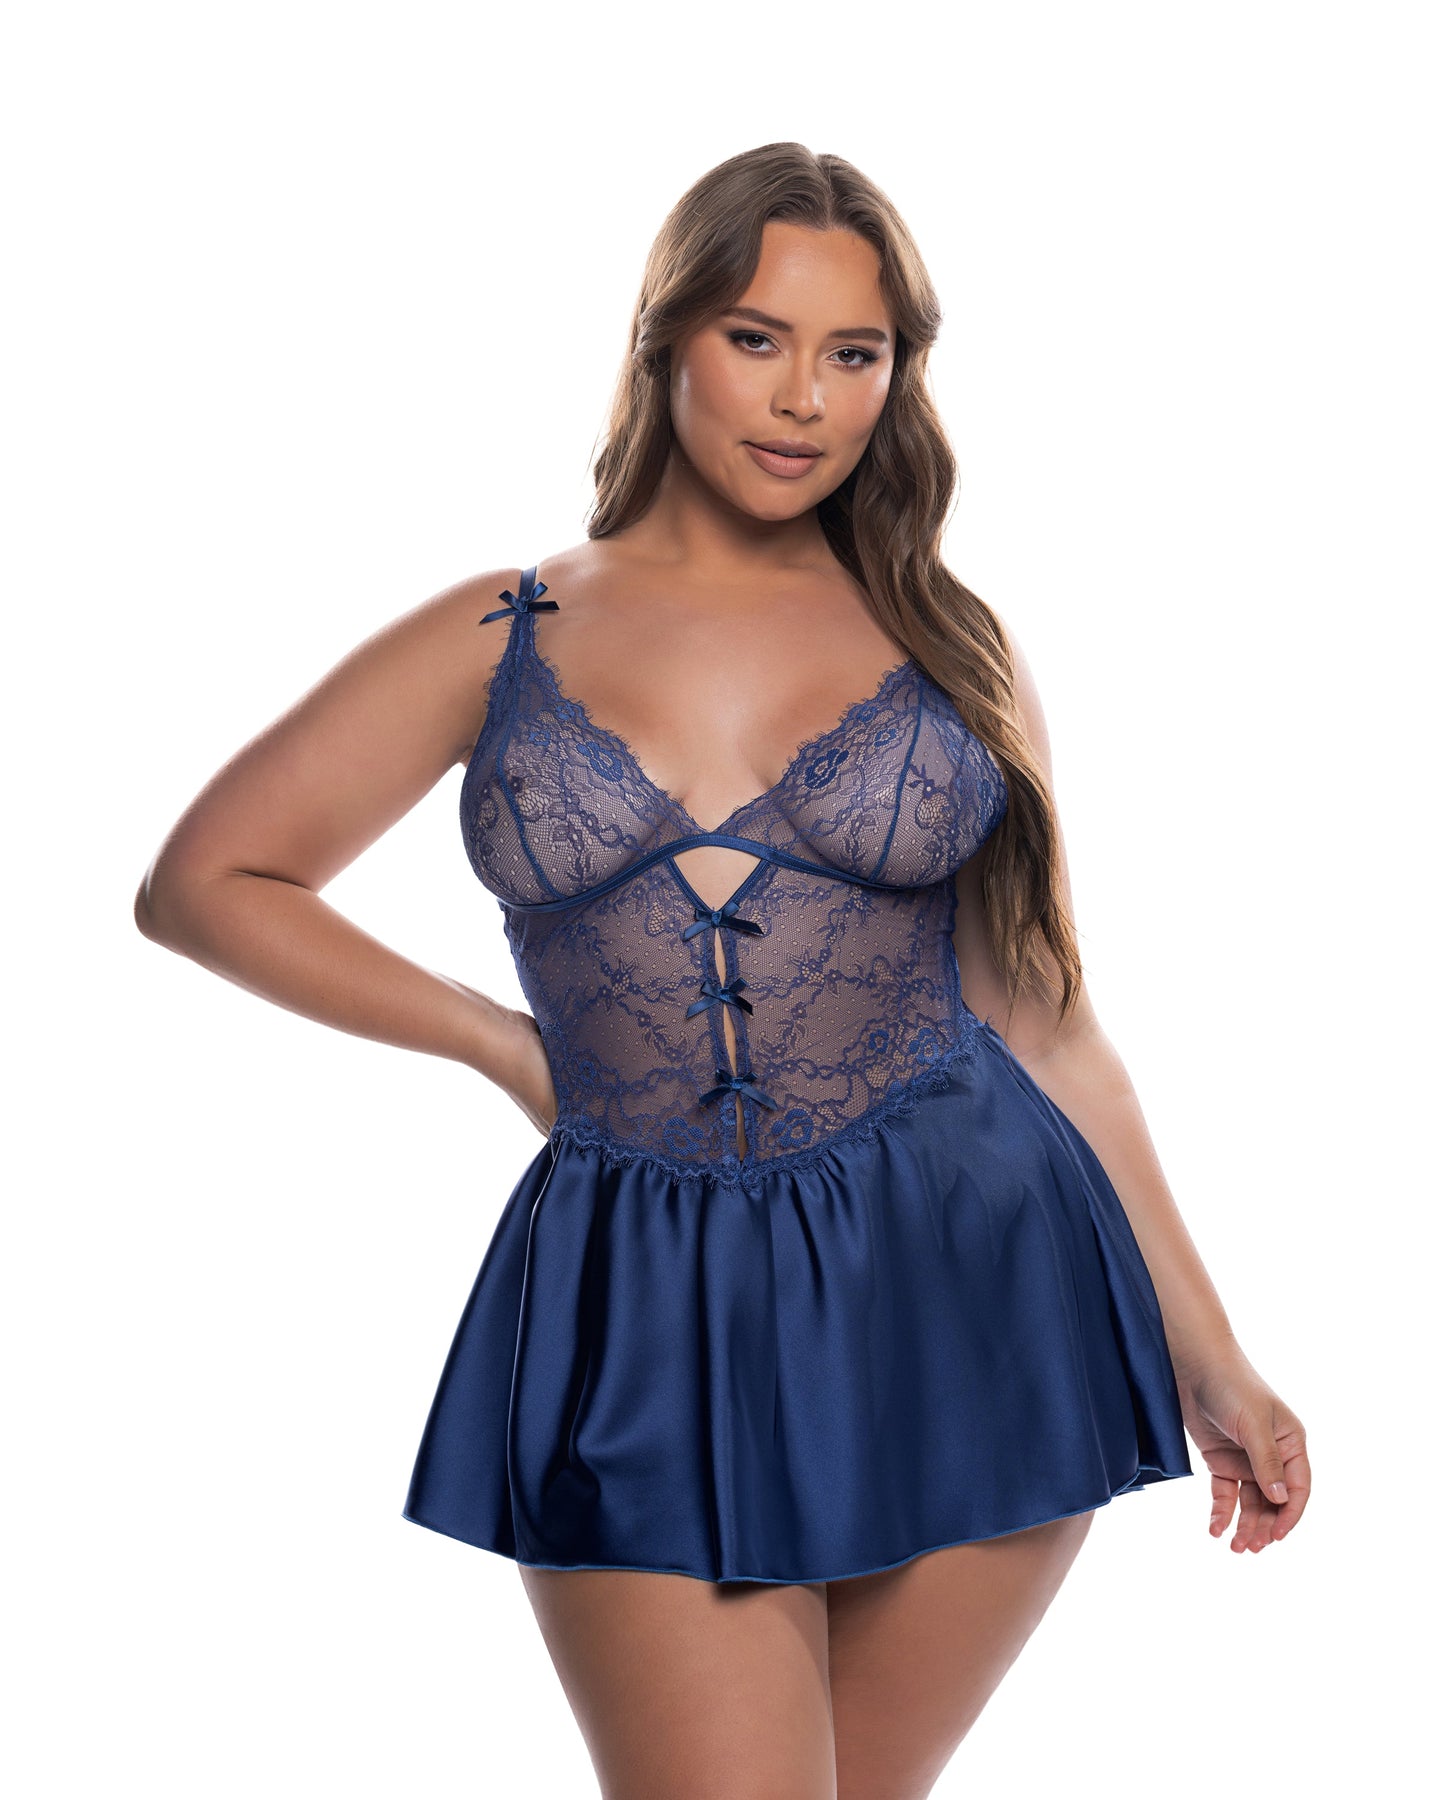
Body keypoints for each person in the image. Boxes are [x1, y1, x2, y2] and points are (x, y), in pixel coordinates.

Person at [134, 142, 1310, 1799]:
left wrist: (1215, 1356)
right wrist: (502, 1045)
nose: (805, 398)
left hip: (976, 1278)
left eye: (855, 353)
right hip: (647, 1301)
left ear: (899, 376)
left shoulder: (950, 645)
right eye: (757, 338)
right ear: (665, 337)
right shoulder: (507, 630)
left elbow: (1050, 1027)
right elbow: (207, 883)